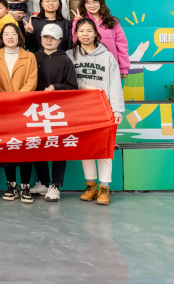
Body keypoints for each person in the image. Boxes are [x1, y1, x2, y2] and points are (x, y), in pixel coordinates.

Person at [70, 18, 124, 206]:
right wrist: (85, 87)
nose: (85, 34)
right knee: (85, 149)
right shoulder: (69, 55)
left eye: (89, 31)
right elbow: (68, 82)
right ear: (76, 34)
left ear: (96, 33)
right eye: (81, 31)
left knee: (103, 149)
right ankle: (90, 186)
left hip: (103, 109)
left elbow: (115, 84)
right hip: (79, 110)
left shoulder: (107, 56)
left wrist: (118, 110)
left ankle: (104, 188)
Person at [27, 24, 79, 203]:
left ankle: (55, 184)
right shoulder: (33, 57)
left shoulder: (65, 60)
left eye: (53, 38)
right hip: (35, 109)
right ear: (40, 38)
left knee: (58, 147)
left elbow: (72, 87)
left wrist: (55, 88)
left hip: (58, 110)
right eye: (45, 37)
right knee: (37, 144)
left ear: (60, 40)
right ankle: (43, 182)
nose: (49, 41)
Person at [0, 23, 38, 202]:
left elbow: (32, 81)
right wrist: (6, 99)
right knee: (8, 146)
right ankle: (11, 185)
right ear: (1, 38)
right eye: (6, 34)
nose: (10, 37)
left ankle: (25, 186)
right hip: (2, 107)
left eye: (13, 34)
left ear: (19, 37)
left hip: (24, 107)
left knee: (25, 146)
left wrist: (17, 98)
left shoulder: (29, 56)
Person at [74, 0, 130, 78]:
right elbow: (75, 41)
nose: (92, 5)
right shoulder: (81, 21)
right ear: (84, 5)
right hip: (88, 66)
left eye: (95, 2)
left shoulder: (112, 21)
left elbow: (122, 45)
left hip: (110, 65)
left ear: (100, 3)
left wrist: (123, 67)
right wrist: (76, 22)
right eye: (88, 3)